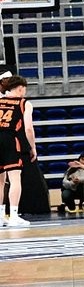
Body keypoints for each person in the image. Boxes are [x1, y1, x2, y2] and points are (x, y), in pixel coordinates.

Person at [0, 75, 36, 227]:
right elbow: (28, 128)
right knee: (15, 179)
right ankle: (14, 215)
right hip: (10, 139)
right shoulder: (24, 103)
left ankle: (0, 216)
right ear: (20, 88)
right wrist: (32, 147)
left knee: (0, 181)